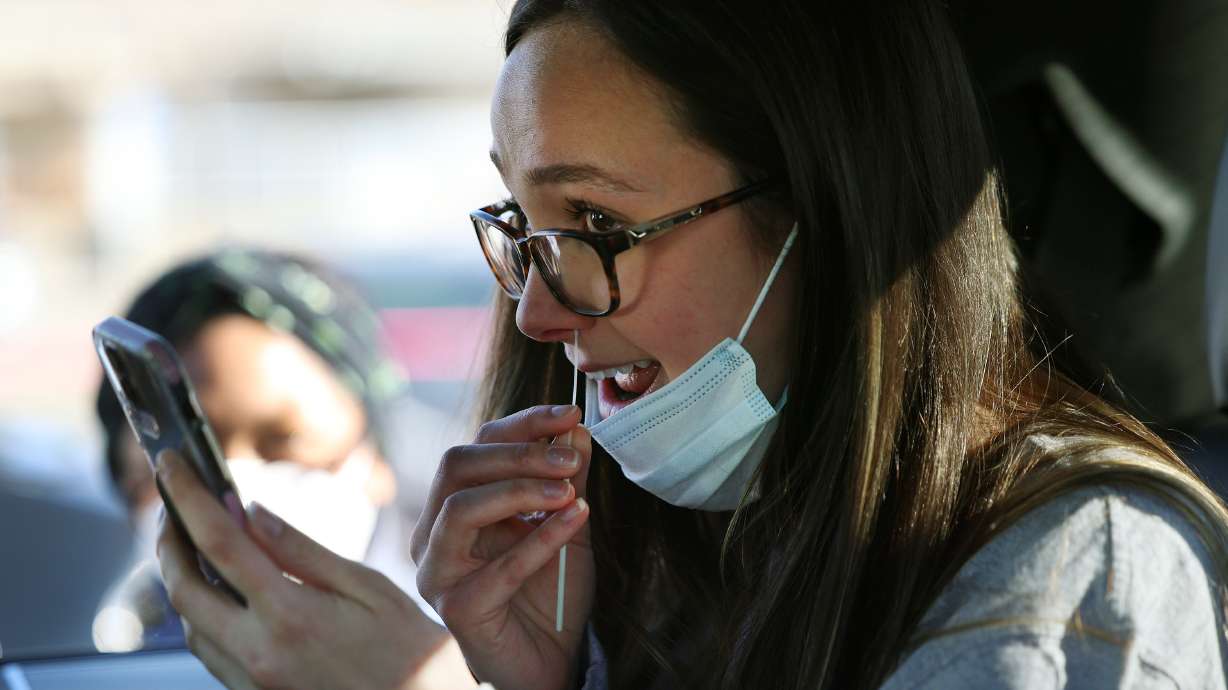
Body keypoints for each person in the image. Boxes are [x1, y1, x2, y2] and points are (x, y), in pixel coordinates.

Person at [151, 2, 1228, 689]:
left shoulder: (1083, 564)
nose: (537, 316)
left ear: (821, 217)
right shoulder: (687, 555)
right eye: (524, 230)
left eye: (597, 225)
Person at [94, 248, 475, 685]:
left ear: (376, 456)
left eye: (284, 440)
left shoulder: (470, 646)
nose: (237, 485)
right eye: (192, 450)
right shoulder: (110, 646)